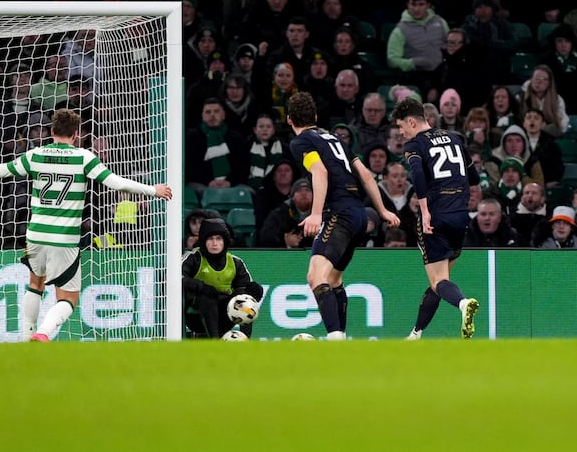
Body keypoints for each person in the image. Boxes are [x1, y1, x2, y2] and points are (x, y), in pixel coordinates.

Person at [0, 108, 172, 342]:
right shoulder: (83, 157)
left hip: (35, 235)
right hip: (64, 238)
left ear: (52, 131)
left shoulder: (36, 155)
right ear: (76, 134)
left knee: (34, 285)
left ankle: (25, 337)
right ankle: (42, 334)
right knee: (68, 299)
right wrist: (153, 190)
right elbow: (116, 183)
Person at [286, 92, 400, 340]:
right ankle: (342, 337)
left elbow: (319, 172)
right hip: (359, 214)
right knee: (334, 279)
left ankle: (334, 339)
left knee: (315, 277)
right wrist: (382, 211)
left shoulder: (301, 142)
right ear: (315, 117)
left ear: (289, 120)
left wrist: (316, 214)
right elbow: (366, 175)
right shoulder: (335, 139)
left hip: (338, 213)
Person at [391, 98, 481, 340]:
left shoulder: (414, 145)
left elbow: (418, 174)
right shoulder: (455, 138)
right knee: (440, 280)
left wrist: (425, 209)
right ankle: (416, 333)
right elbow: (474, 178)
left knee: (438, 280)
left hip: (436, 215)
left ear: (412, 121)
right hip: (460, 216)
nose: (401, 133)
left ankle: (463, 304)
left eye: (401, 126)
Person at [182, 218, 264, 339]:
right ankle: (215, 342)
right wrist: (201, 287)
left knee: (244, 297)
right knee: (207, 297)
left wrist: (253, 292)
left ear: (225, 241)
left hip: (225, 316)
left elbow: (243, 290)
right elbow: (178, 278)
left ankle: (245, 339)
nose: (215, 243)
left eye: (219, 239)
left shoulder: (235, 262)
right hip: (196, 315)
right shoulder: (193, 258)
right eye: (210, 239)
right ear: (203, 241)